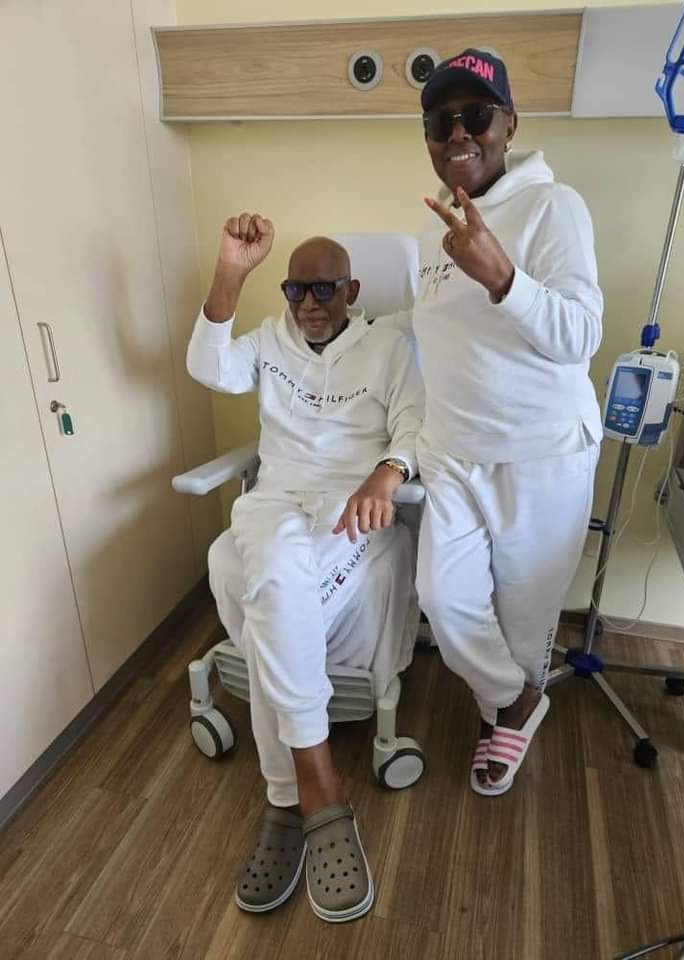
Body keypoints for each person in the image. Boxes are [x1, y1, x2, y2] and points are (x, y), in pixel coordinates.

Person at [186, 214, 423, 921]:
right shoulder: (268, 340)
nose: (310, 304)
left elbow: (415, 425)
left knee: (267, 595)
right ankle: (320, 785)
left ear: (352, 290)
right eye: (297, 290)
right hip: (275, 502)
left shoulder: (389, 347)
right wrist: (231, 271)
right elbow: (208, 367)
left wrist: (386, 474)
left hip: (347, 511)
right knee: (271, 576)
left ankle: (287, 797)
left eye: (325, 289)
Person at [405, 48, 603, 796]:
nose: (458, 133)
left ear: (509, 124)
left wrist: (505, 279)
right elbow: (444, 339)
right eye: (440, 121)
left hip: (537, 455)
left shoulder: (555, 207)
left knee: (523, 624)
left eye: (476, 116)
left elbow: (581, 335)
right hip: (453, 452)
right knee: (443, 599)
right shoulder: (436, 223)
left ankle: (505, 717)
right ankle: (515, 700)